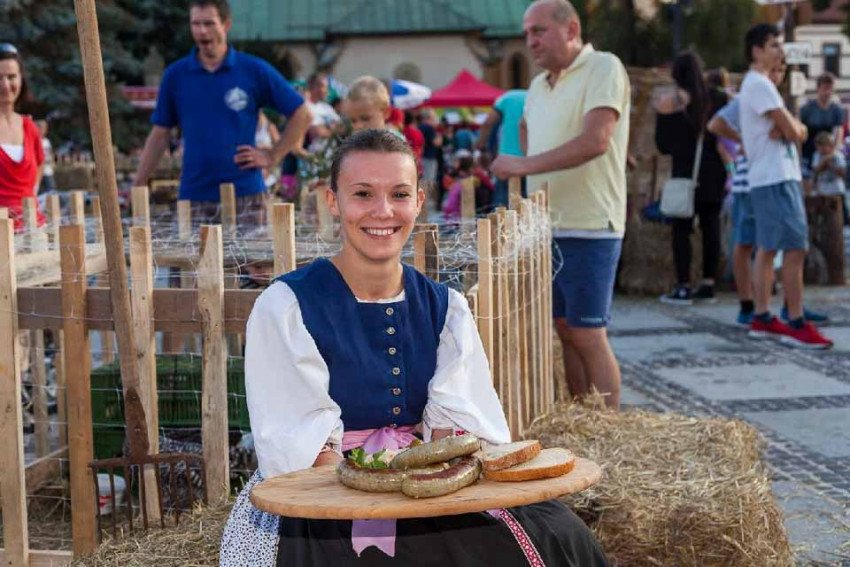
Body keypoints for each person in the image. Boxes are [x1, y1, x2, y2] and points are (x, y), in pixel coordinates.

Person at [219, 129, 609, 566]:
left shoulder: (446, 307)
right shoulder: (287, 305)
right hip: (324, 493)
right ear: (333, 202)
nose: (382, 212)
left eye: (399, 194)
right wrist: (381, 488)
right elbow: (306, 454)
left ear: (419, 202)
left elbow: (456, 432)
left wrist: (433, 471)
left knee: (560, 533)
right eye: (363, 193)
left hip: (427, 477)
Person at [491, 0, 630, 409]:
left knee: (589, 331)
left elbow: (596, 141)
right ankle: (580, 417)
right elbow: (531, 132)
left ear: (571, 30)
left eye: (539, 31)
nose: (530, 41)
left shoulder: (604, 66)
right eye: (527, 33)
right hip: (546, 223)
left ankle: (608, 426)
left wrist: (525, 163)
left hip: (590, 222)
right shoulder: (537, 86)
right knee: (565, 328)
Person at [132, 0, 311, 227]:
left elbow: (302, 113)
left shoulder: (253, 70)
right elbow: (160, 135)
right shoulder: (176, 76)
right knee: (193, 262)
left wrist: (272, 156)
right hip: (194, 196)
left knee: (251, 263)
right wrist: (139, 182)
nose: (202, 31)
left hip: (246, 194)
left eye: (209, 23)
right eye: (195, 24)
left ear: (226, 24)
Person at [738, 23, 832, 348]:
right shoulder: (760, 85)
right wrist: (793, 126)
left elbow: (793, 128)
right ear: (757, 50)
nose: (780, 50)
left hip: (769, 176)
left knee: (768, 248)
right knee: (795, 247)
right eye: (774, 45)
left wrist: (793, 126)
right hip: (777, 177)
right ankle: (795, 320)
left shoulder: (757, 85)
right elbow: (793, 131)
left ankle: (762, 316)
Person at [654, 51, 729, 305]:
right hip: (714, 172)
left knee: (681, 231)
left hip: (685, 172)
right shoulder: (717, 98)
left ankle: (683, 285)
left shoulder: (668, 103)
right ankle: (708, 284)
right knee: (711, 227)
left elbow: (662, 145)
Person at [0, 43, 46, 231]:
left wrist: (31, 194)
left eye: (11, 77)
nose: (5, 85)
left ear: (21, 79)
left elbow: (40, 164)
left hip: (33, 229)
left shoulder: (30, 128)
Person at [478, 89, 528, 208]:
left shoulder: (506, 98)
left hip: (507, 158)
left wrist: (481, 145)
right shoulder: (537, 96)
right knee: (528, 203)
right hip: (532, 158)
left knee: (502, 203)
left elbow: (487, 123)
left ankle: (500, 225)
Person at [799, 72, 845, 186]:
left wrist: (834, 151)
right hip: (809, 151)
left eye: (830, 89)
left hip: (828, 151)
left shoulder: (836, 110)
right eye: (825, 89)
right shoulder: (807, 109)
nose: (827, 93)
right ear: (818, 89)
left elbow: (839, 131)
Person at [811, 130, 846, 197]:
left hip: (837, 190)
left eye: (824, 145)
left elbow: (842, 174)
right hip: (822, 191)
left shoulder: (838, 155)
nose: (821, 149)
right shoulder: (817, 155)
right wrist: (824, 161)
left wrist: (831, 164)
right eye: (819, 146)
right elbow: (815, 171)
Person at [418, 109, 443, 187]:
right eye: (433, 117)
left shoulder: (419, 127)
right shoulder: (429, 128)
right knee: (429, 180)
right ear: (429, 117)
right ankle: (426, 198)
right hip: (429, 157)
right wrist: (439, 135)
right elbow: (436, 142)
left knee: (423, 179)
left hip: (422, 156)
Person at [35, 119, 55, 193]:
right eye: (42, 128)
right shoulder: (35, 140)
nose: (44, 130)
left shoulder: (47, 141)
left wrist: (52, 163)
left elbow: (50, 153)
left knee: (51, 190)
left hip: (48, 169)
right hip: (38, 170)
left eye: (45, 128)